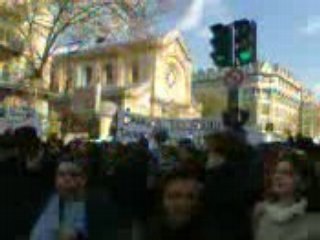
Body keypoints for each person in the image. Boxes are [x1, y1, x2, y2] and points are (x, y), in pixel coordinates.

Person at [30, 160, 118, 240]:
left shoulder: (97, 205)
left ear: (84, 179)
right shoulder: (48, 198)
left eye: (73, 175)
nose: (66, 179)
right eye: (61, 174)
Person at [204, 131, 258, 240]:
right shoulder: (240, 167)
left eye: (209, 147)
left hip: (227, 226)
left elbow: (218, 197)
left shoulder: (225, 171)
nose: (206, 150)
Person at [253, 151, 320, 240]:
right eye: (276, 172)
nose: (277, 177)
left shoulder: (314, 221)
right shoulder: (262, 213)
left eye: (286, 173)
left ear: (304, 182)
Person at [146, 170, 206, 240]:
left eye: (190, 197)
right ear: (162, 198)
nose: (183, 203)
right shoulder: (151, 229)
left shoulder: (206, 231)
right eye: (175, 196)